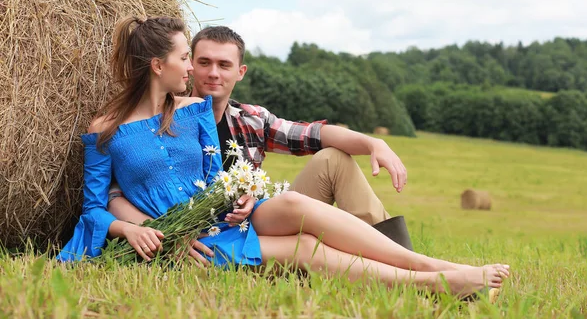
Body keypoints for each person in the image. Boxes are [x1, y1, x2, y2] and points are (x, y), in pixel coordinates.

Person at [58, 16, 510, 299]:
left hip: (224, 225)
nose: (199, 71)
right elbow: (96, 206)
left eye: (218, 64)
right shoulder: (105, 131)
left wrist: (235, 202)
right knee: (308, 250)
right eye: (189, 59)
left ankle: (437, 268)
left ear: (240, 71)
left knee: (302, 207)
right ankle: (440, 283)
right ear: (160, 65)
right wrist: (139, 230)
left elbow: (227, 173)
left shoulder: (197, 113)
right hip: (180, 243)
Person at [108, 26, 412, 247]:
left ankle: (398, 254)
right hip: (211, 234)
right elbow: (126, 186)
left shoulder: (251, 119)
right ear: (189, 66)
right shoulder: (164, 121)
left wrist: (374, 142)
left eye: (224, 65)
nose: (213, 73)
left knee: (333, 159)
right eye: (204, 62)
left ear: (240, 72)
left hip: (264, 217)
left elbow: (312, 134)